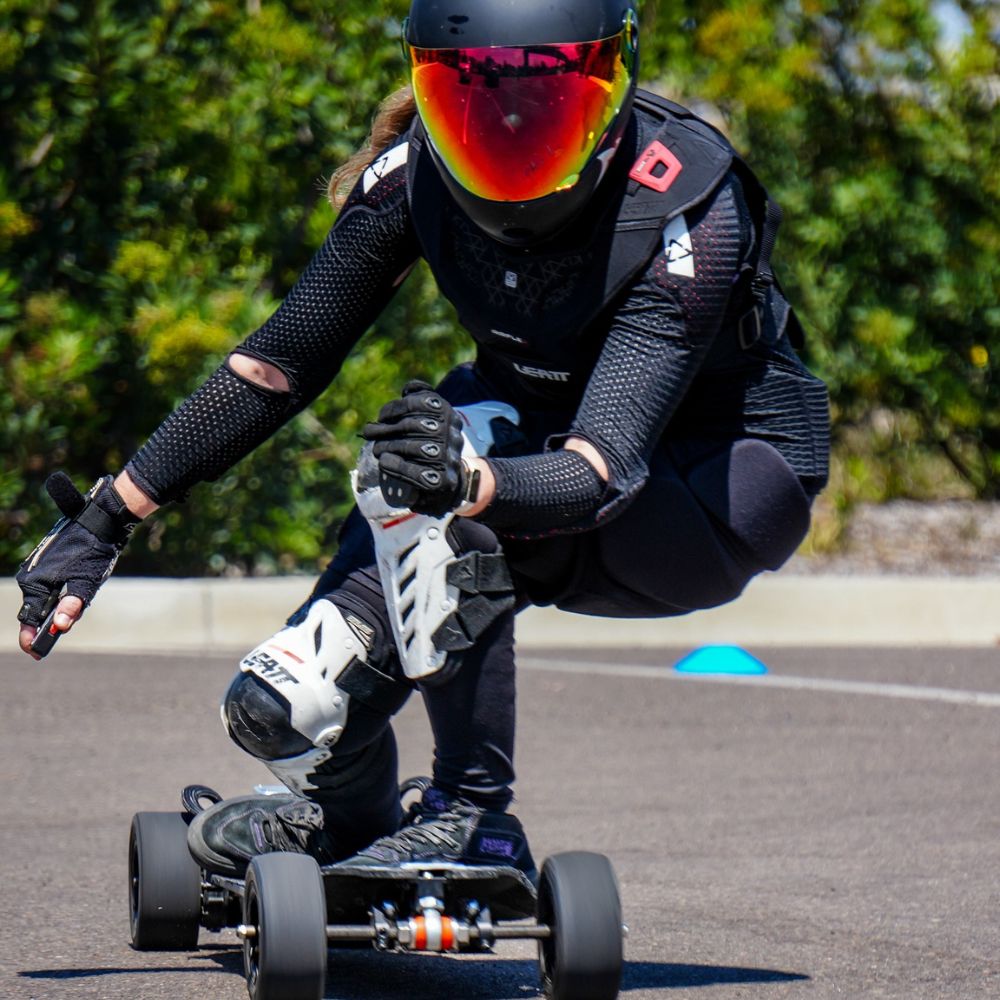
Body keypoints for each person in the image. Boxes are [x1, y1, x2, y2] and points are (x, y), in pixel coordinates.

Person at [15, 0, 829, 880]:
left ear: (616, 84)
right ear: (425, 88)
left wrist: (469, 485)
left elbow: (600, 471)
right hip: (522, 447)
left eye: (550, 110)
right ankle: (347, 823)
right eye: (475, 106)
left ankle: (473, 814)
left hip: (708, 488)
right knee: (279, 708)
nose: (513, 145)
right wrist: (110, 517)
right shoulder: (414, 175)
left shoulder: (685, 206)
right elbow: (279, 365)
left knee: (428, 464)